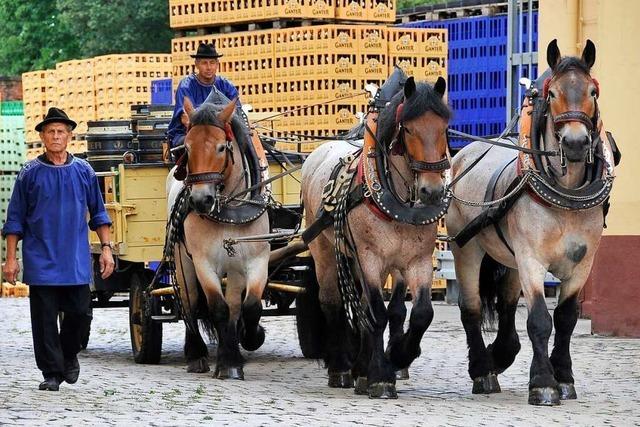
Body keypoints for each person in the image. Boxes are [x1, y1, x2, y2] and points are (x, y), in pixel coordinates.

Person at [1, 107, 115, 391]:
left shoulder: (83, 171)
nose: (55, 136)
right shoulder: (29, 173)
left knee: (81, 313)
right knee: (44, 322)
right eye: (50, 131)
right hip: (40, 260)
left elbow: (98, 213)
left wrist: (106, 248)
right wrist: (11, 260)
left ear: (69, 136)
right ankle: (52, 373)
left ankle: (68, 354)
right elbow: (14, 220)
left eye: (60, 131)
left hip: (74, 258)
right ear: (41, 136)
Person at [167, 42, 240, 149]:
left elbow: (237, 112)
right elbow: (185, 119)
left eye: (212, 63)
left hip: (220, 132)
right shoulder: (186, 86)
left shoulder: (227, 86)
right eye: (204, 63)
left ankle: (257, 163)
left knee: (246, 135)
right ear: (196, 64)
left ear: (217, 64)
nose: (209, 67)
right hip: (188, 132)